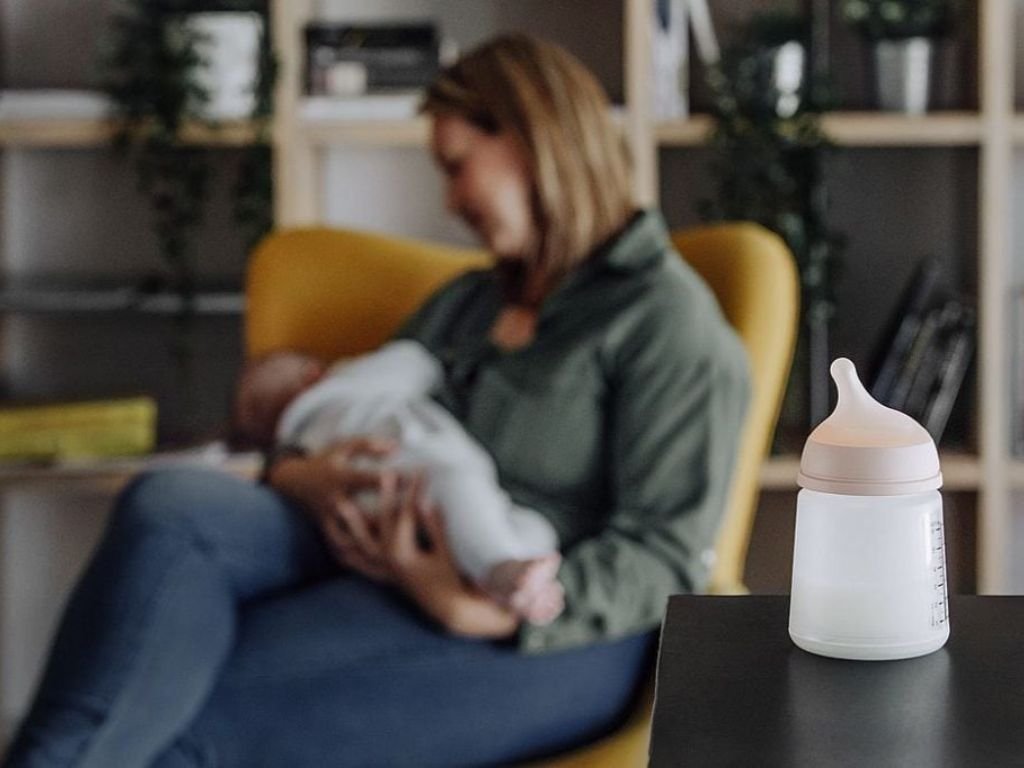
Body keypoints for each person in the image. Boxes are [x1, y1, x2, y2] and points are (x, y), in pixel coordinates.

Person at [3, 33, 750, 768]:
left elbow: (667, 559)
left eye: (457, 167)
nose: (451, 201)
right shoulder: (468, 303)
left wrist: (468, 604)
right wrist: (303, 477)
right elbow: (350, 406)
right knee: (169, 507)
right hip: (375, 544)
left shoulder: (665, 324)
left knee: (193, 715)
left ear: (533, 140)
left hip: (552, 629)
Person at [234, 340, 565, 625]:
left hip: (375, 523)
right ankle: (502, 573)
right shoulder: (343, 385)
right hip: (419, 473)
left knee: (509, 526)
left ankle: (511, 577)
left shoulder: (302, 447)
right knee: (481, 502)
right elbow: (416, 362)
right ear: (314, 374)